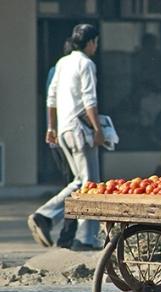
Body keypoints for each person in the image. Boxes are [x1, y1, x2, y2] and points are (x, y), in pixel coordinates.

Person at [28, 23, 104, 251]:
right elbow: (90, 101)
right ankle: (46, 216)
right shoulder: (86, 63)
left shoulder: (63, 62)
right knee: (87, 183)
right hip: (80, 131)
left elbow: (51, 98)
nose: (96, 47)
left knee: (84, 183)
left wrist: (51, 127)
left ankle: (85, 237)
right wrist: (98, 129)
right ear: (91, 42)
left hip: (63, 129)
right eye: (95, 42)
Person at [45, 39, 77, 249]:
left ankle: (71, 236)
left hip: (60, 134)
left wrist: (51, 129)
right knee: (77, 185)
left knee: (75, 183)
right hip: (68, 135)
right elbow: (53, 101)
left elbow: (51, 101)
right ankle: (62, 232)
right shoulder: (68, 69)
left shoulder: (56, 70)